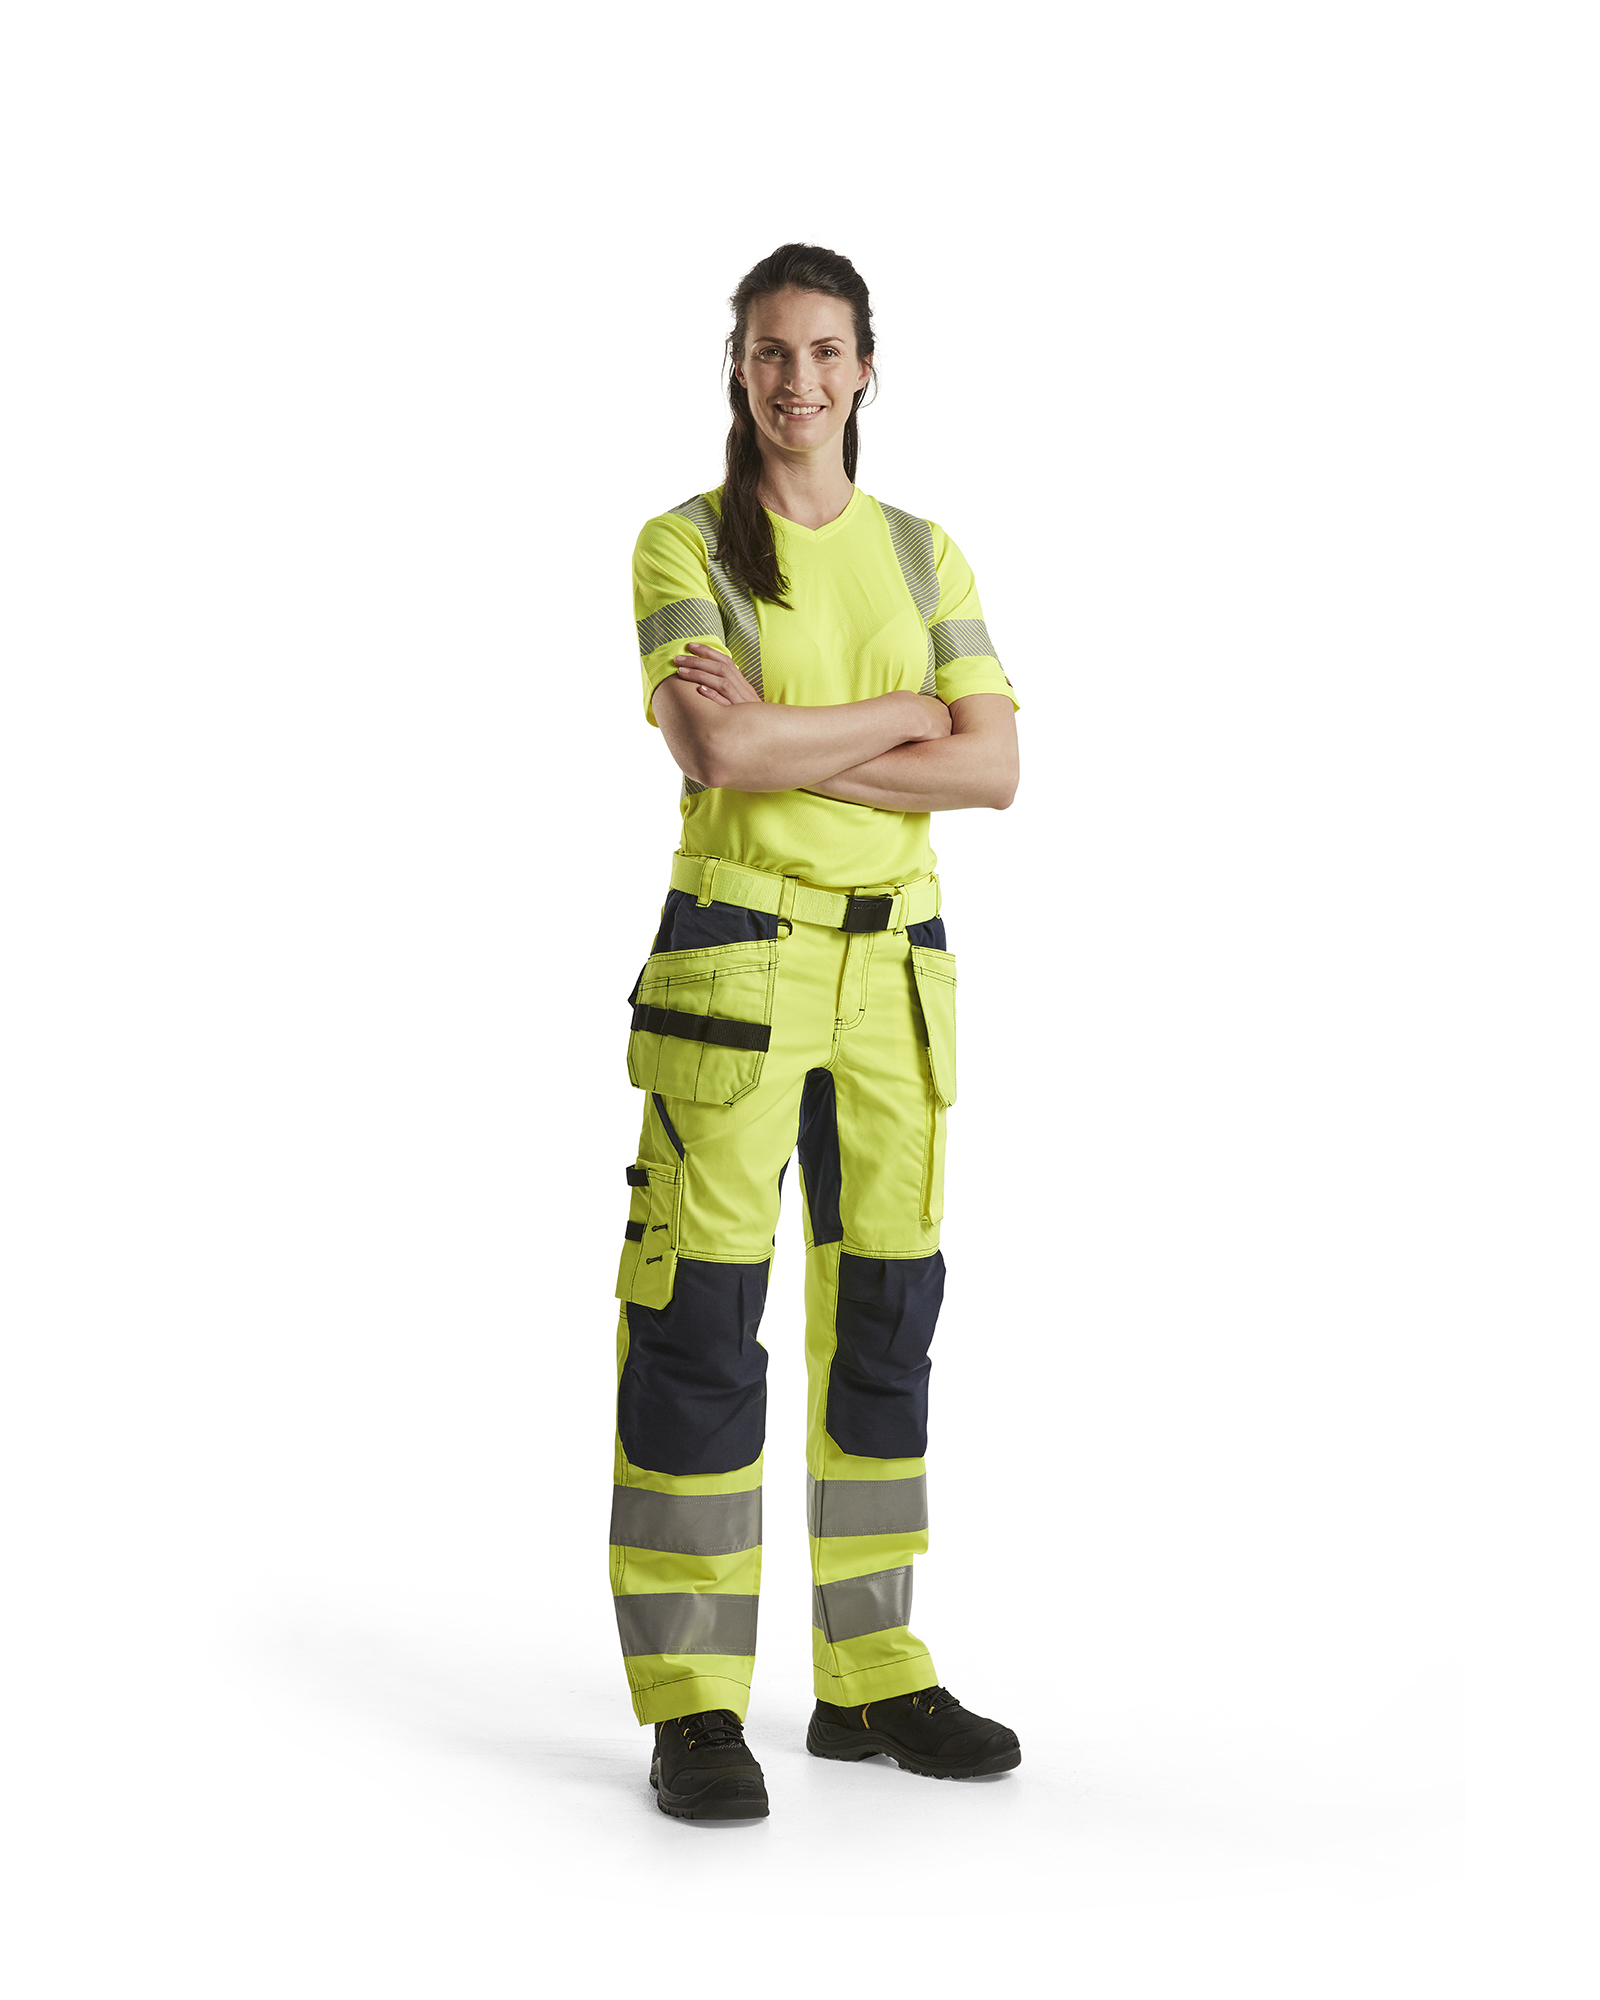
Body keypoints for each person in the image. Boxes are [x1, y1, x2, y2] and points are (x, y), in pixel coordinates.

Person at [612, 243, 1022, 1821]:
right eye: (771, 351)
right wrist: (906, 718)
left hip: (897, 979)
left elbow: (995, 771)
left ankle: (871, 1676)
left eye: (826, 350)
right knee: (700, 1324)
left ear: (865, 367)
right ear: (740, 367)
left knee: (886, 1326)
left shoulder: (923, 555)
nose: (799, 378)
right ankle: (694, 1703)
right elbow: (714, 746)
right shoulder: (685, 544)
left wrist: (795, 742)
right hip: (737, 965)